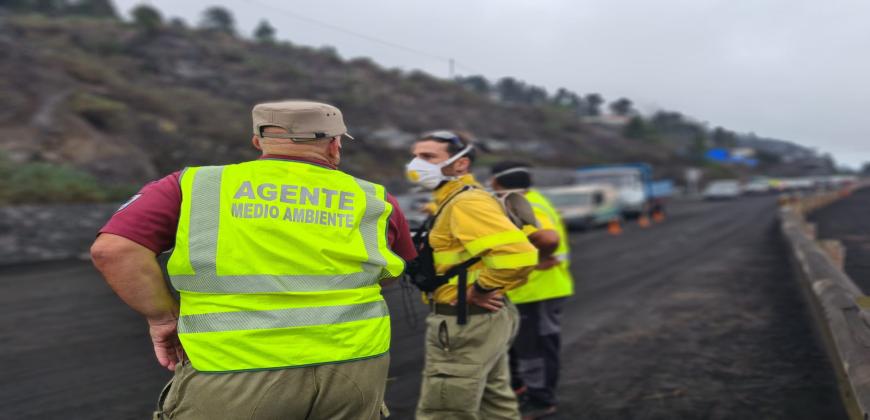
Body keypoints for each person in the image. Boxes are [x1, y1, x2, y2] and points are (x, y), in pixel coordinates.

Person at [90, 100, 417, 419]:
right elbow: (390, 272)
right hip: (354, 371)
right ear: (334, 145)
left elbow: (114, 250)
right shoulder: (374, 197)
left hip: (236, 372)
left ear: (258, 141)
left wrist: (162, 318)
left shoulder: (193, 185)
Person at [406, 130, 539, 419]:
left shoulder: (466, 203)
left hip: (465, 321)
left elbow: (520, 256)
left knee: (444, 410)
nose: (416, 164)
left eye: (428, 157)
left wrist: (480, 289)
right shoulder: (453, 199)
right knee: (495, 405)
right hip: (479, 322)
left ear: (460, 164)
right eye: (415, 156)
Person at [489, 161, 575, 420]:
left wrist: (534, 259)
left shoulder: (524, 205)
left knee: (535, 349)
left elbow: (546, 239)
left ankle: (541, 400)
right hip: (536, 288)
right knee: (528, 348)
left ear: (496, 182)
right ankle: (529, 391)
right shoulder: (533, 199)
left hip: (537, 289)